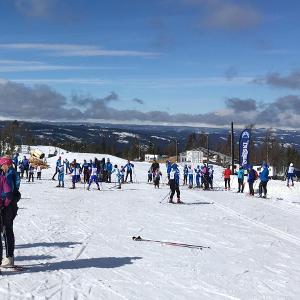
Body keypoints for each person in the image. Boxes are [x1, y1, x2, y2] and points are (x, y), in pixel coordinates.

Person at [0, 156, 20, 267]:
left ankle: (9, 258)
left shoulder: (10, 175)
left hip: (8, 206)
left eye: (2, 165)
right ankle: (9, 257)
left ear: (6, 164)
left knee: (7, 231)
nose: (2, 168)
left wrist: (2, 199)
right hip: (11, 205)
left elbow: (9, 192)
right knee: (7, 230)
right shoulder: (11, 173)